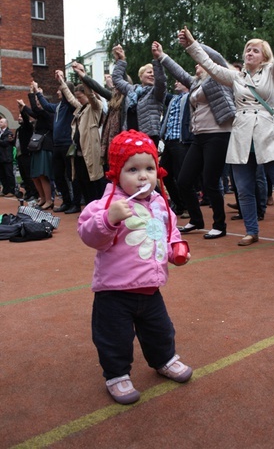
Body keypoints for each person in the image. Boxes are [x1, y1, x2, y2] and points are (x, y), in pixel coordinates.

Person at [179, 0, 274, 247]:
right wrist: (192, 44)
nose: (249, 52)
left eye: (255, 49)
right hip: (242, 137)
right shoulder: (236, 77)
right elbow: (210, 66)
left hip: (270, 135)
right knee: (243, 189)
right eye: (247, 49)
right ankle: (251, 231)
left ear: (264, 55)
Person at [77, 129, 192, 405]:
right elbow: (89, 235)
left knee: (161, 330)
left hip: (151, 288)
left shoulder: (161, 204)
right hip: (114, 292)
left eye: (150, 168)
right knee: (114, 338)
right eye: (133, 169)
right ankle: (117, 374)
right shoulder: (106, 204)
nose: (143, 176)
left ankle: (164, 359)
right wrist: (109, 219)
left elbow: (170, 231)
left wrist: (177, 247)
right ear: (116, 172)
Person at [153, 40, 236, 239]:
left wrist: (193, 43)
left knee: (210, 181)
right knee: (183, 180)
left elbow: (216, 57)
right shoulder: (197, 84)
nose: (196, 65)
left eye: (199, 62)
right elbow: (180, 73)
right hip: (199, 136)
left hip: (218, 135)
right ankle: (196, 220)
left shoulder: (218, 78)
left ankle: (219, 225)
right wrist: (161, 56)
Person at [33, 73, 82, 214]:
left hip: (68, 144)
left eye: (60, 89)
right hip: (57, 145)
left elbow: (68, 96)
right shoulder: (59, 106)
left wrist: (62, 82)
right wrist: (37, 92)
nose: (57, 91)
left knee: (71, 175)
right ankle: (66, 201)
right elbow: (46, 106)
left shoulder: (70, 105)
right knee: (58, 175)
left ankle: (76, 203)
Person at [56, 71, 106, 206]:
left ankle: (98, 208)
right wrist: (61, 81)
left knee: (94, 182)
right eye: (77, 97)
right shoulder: (81, 108)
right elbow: (71, 99)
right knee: (82, 181)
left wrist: (83, 78)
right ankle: (89, 209)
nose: (78, 99)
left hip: (90, 151)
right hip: (79, 153)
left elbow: (91, 96)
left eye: (80, 96)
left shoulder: (95, 107)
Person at [112, 44, 167, 146]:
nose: (152, 74)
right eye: (149, 72)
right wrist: (121, 60)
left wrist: (157, 60)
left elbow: (161, 80)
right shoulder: (132, 90)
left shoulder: (157, 92)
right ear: (141, 76)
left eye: (154, 73)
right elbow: (116, 79)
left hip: (148, 137)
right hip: (129, 136)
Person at [159, 80, 193, 217]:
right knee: (164, 174)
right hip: (168, 140)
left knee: (182, 176)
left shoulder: (192, 97)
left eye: (180, 81)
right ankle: (179, 204)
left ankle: (188, 208)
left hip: (181, 141)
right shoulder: (173, 99)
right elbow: (161, 92)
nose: (176, 83)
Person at [18, 83, 54, 210]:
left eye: (40, 104)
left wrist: (33, 93)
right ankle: (42, 198)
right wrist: (23, 106)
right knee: (35, 175)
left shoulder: (48, 114)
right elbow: (33, 112)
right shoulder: (41, 115)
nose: (38, 106)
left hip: (44, 146)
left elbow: (35, 110)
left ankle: (49, 200)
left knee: (42, 174)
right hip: (37, 147)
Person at [14, 106, 38, 201]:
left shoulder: (28, 127)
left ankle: (34, 193)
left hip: (26, 154)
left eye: (20, 116)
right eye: (18, 116)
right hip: (19, 155)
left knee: (29, 175)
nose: (19, 117)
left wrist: (22, 110)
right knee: (24, 175)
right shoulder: (18, 129)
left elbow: (26, 119)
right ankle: (28, 192)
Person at [0, 117, 16, 197]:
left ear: (6, 124)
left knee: (9, 174)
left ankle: (11, 190)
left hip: (7, 157)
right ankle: (5, 190)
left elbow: (6, 143)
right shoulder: (0, 133)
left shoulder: (9, 133)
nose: (0, 123)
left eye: (1, 122)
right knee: (2, 175)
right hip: (1, 157)